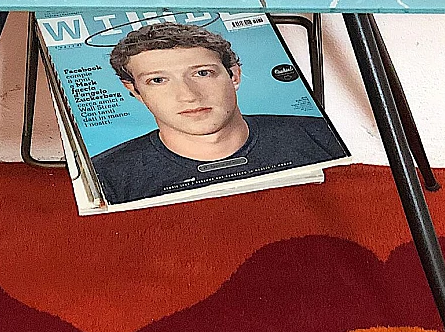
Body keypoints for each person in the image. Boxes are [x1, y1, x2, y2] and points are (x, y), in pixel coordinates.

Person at [91, 22, 347, 204]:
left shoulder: (319, 134)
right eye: (158, 80)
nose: (188, 95)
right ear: (134, 90)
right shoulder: (105, 174)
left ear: (234, 75)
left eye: (202, 73)